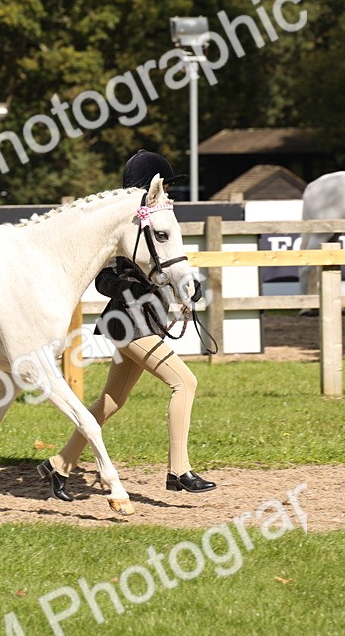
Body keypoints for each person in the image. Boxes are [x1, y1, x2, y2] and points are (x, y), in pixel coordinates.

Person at [37, 150, 216, 500]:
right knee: (185, 382)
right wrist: (137, 286)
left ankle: (58, 465)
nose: (165, 192)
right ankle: (179, 470)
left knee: (111, 401)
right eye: (161, 185)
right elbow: (104, 280)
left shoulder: (154, 225)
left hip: (141, 323)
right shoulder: (122, 230)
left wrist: (184, 287)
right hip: (129, 324)